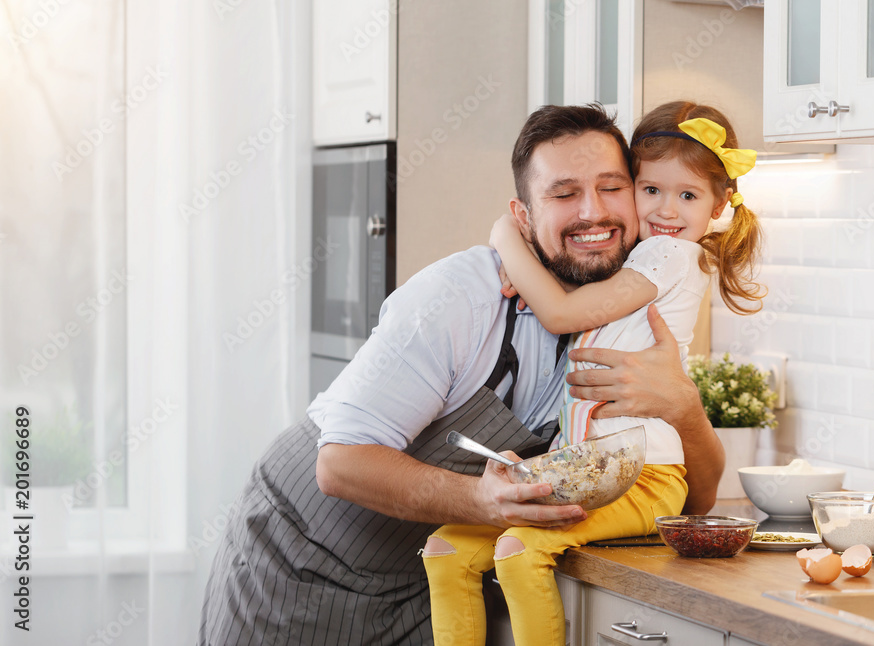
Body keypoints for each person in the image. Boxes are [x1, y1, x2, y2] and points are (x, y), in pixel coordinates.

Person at [198, 103, 724, 646]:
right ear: (522, 217)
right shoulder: (460, 297)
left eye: (612, 187)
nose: (593, 212)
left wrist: (682, 405)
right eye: (564, 194)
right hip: (298, 567)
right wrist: (481, 500)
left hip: (421, 580)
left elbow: (695, 502)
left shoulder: (633, 314)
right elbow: (339, 464)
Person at [421, 100, 765, 646]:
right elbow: (570, 293)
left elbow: (560, 312)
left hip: (646, 476)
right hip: (591, 466)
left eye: (688, 195)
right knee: (446, 548)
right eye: (650, 190)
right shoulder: (639, 257)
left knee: (517, 552)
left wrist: (506, 237)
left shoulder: (669, 256)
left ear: (721, 202)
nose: (666, 209)